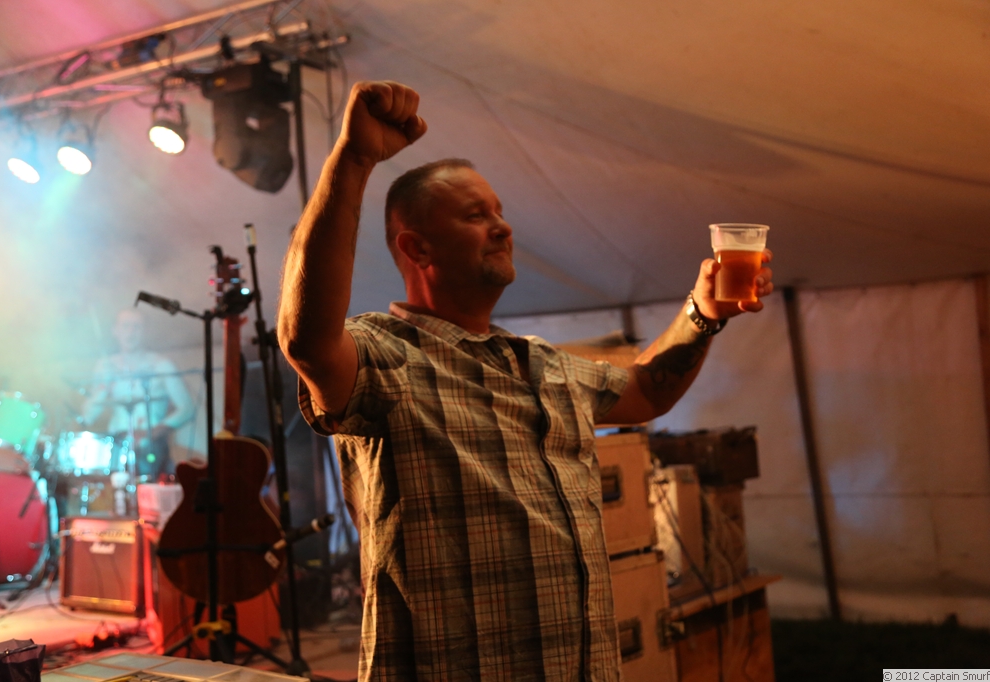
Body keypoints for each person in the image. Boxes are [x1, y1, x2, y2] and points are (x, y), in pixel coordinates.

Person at [278, 81, 773, 681]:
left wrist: (702, 312)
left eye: (500, 212)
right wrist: (354, 159)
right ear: (417, 248)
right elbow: (306, 340)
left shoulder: (540, 363)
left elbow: (647, 391)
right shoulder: (388, 357)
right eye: (475, 215)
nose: (503, 227)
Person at [82, 308, 195, 481]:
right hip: (116, 446)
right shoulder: (105, 366)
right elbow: (88, 416)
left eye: (137, 327)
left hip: (152, 447)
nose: (131, 332)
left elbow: (187, 409)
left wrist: (151, 433)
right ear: (115, 331)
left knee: (148, 488)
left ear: (146, 331)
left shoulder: (161, 365)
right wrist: (103, 386)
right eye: (125, 326)